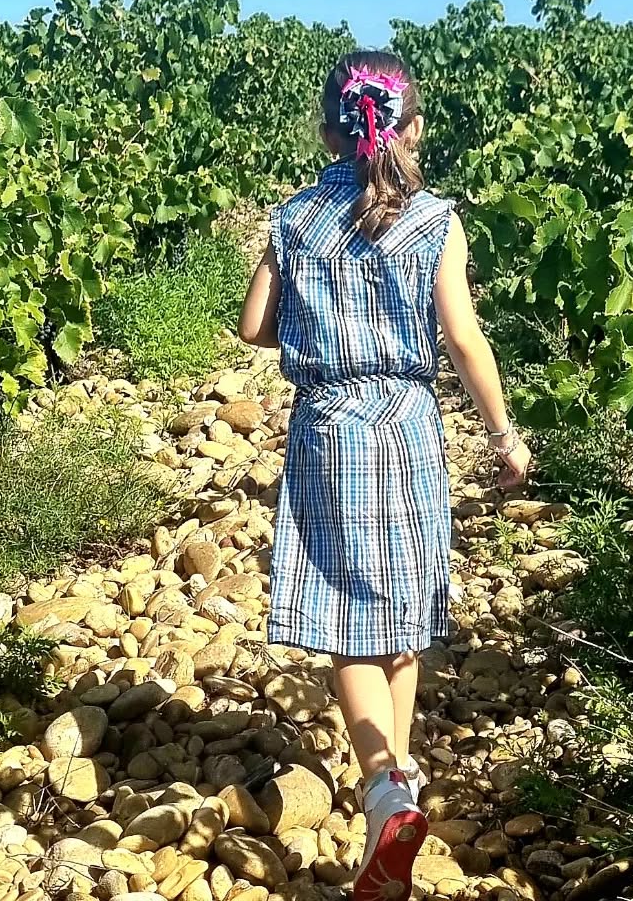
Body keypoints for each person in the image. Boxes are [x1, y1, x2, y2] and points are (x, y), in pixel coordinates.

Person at [238, 50, 531, 901]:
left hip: (329, 427)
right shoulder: (436, 217)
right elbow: (464, 340)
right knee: (399, 608)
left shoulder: (295, 218)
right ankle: (395, 778)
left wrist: (294, 273)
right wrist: (505, 436)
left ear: (327, 129)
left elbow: (255, 326)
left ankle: (380, 786)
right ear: (415, 128)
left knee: (344, 619)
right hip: (408, 424)